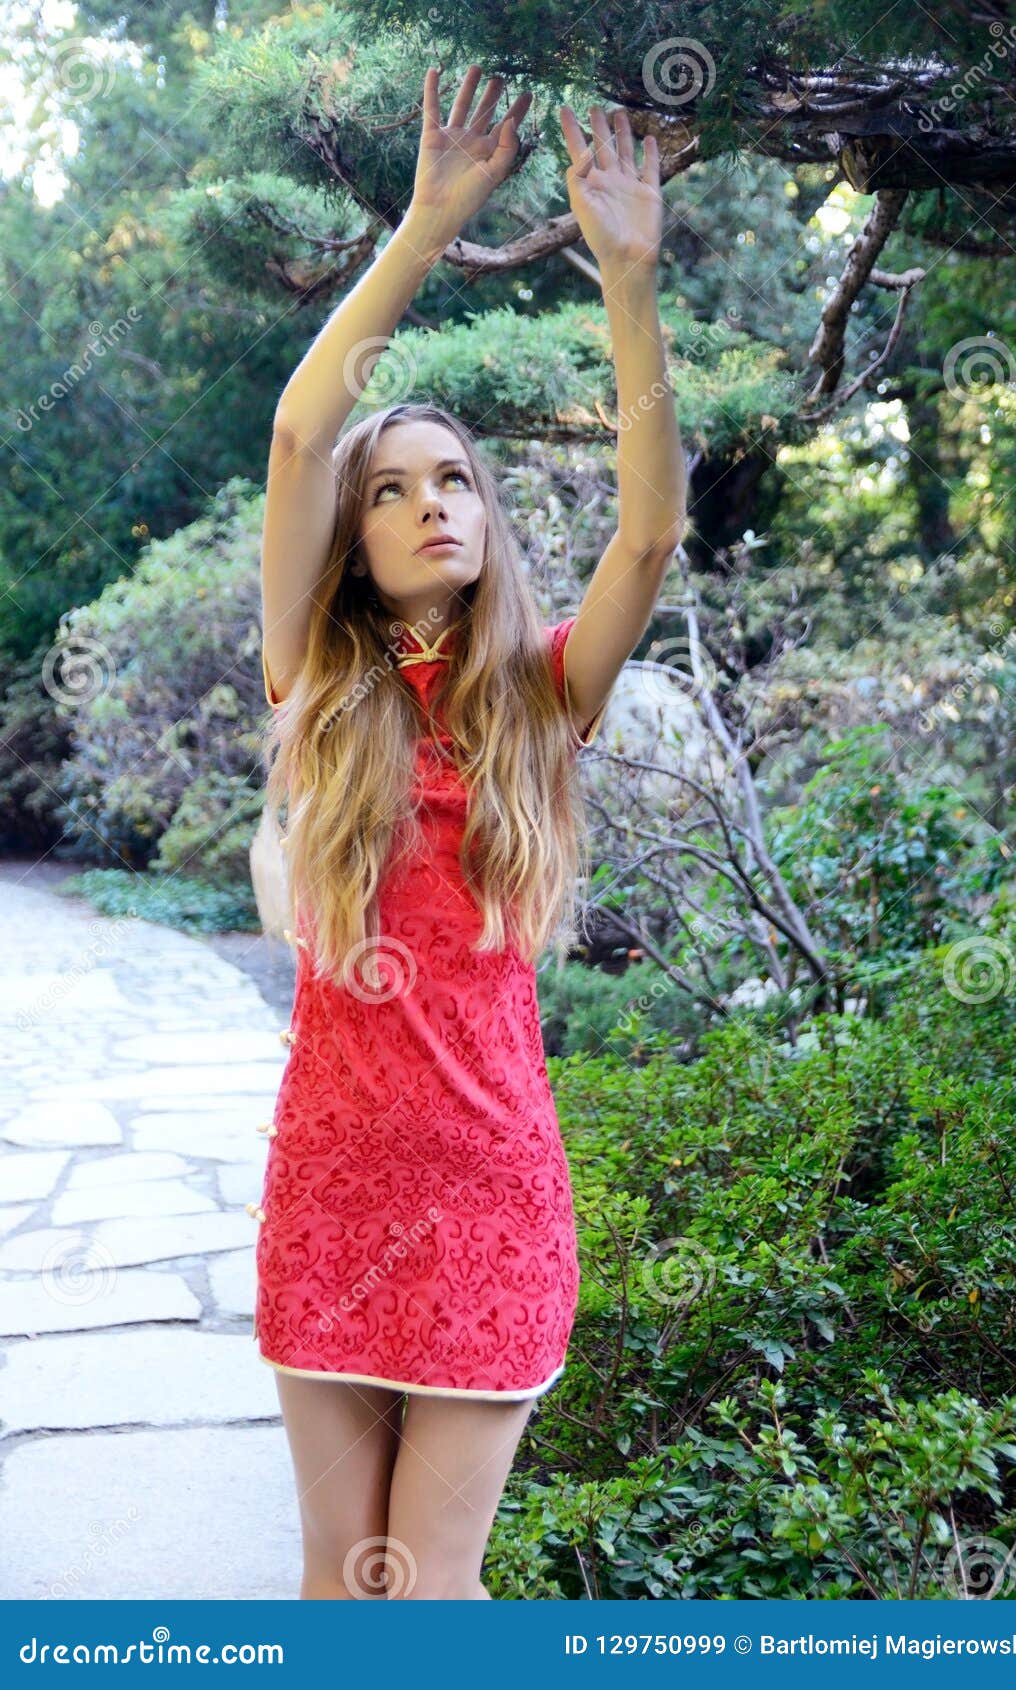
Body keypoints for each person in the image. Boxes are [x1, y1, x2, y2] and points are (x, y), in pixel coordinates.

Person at [252, 63, 685, 1601]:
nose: (432, 504)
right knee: (337, 1580)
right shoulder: (315, 683)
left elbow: (647, 530)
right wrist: (430, 224)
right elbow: (304, 437)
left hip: (490, 1194)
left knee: (426, 1592)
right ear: (355, 548)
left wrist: (625, 279)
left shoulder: (541, 696)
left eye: (458, 483)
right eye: (397, 491)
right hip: (332, 1180)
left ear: (489, 520)